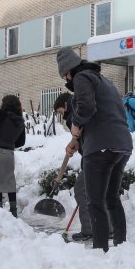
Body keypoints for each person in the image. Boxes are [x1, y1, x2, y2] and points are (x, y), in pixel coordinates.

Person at [56, 47, 132, 252]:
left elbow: (87, 108)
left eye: (64, 75)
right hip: (121, 144)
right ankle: (121, 247)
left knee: (94, 201)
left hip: (101, 147)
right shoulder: (103, 80)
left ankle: (100, 251)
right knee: (111, 198)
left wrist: (75, 126)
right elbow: (104, 116)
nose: (67, 79)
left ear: (68, 71)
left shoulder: (82, 78)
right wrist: (77, 141)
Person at [53, 92, 93, 241]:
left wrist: (75, 144)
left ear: (65, 105)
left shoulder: (72, 115)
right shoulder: (83, 108)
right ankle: (107, 229)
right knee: (99, 192)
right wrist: (74, 144)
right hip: (101, 152)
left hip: (93, 156)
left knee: (81, 190)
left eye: (59, 111)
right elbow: (81, 135)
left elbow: (80, 134)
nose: (61, 115)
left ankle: (89, 230)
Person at [0, 84, 26, 218]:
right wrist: (11, 143)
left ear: (5, 105)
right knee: (9, 181)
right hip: (8, 154)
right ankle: (13, 210)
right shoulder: (20, 122)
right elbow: (21, 142)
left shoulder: (2, 116)